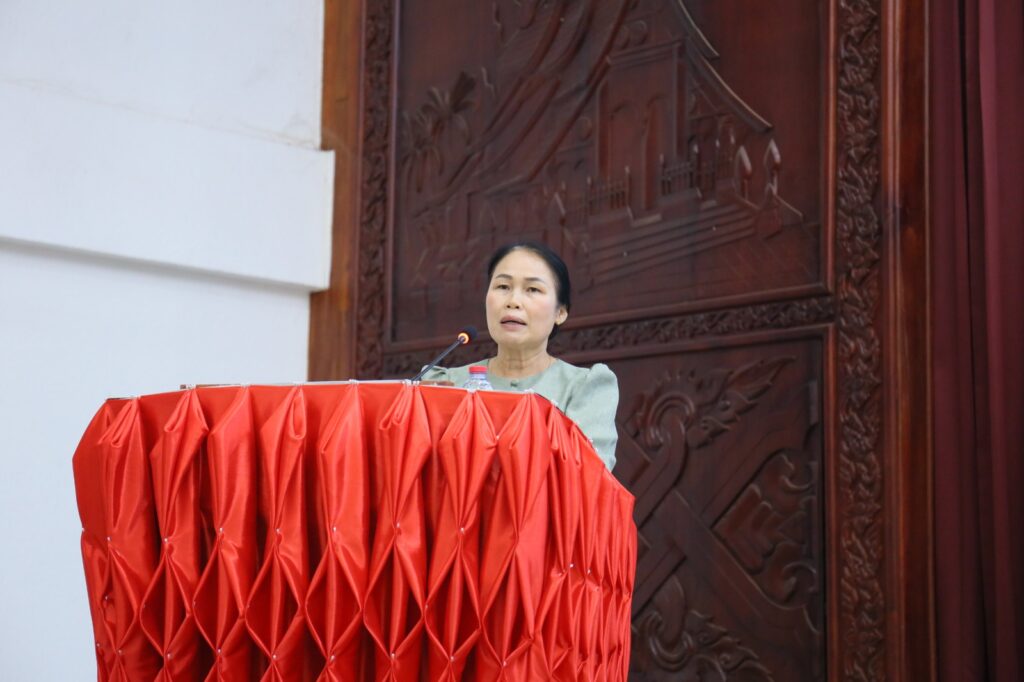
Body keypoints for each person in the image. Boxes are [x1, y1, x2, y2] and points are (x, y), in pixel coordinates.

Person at [421, 241, 619, 470]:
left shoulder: (584, 388)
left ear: (560, 312)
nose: (513, 302)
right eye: (503, 286)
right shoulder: (445, 384)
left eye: (532, 289)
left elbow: (589, 476)